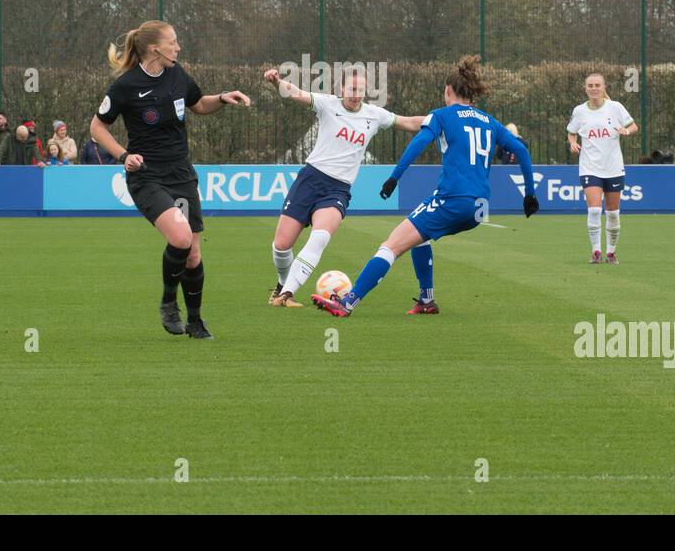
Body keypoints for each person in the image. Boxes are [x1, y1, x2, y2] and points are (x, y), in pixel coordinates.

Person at [313, 56, 538, 317]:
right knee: (419, 237)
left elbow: (418, 143)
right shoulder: (490, 121)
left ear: (448, 91)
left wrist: (394, 177)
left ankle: (347, 302)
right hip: (479, 207)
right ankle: (426, 301)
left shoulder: (441, 116)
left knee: (391, 246)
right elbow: (521, 149)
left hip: (452, 200)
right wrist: (530, 194)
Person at [89, 20, 251, 340]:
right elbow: (97, 127)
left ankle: (195, 320)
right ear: (155, 48)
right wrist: (124, 156)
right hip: (147, 176)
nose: (178, 47)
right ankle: (167, 302)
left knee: (192, 253)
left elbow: (199, 104)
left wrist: (222, 98)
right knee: (180, 236)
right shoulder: (126, 86)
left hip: (180, 174)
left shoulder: (177, 74)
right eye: (173, 42)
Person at [261, 64, 424, 308]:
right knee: (282, 245)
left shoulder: (374, 115)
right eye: (352, 89)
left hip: (337, 190)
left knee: (319, 238)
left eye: (360, 89)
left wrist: (441, 119)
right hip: (310, 179)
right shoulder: (327, 104)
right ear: (341, 88)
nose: (356, 94)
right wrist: (276, 83)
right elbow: (296, 92)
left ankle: (287, 294)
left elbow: (409, 123)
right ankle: (282, 286)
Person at [567, 73, 638, 264]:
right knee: (595, 210)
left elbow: (633, 126)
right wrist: (572, 143)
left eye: (597, 85)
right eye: (590, 85)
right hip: (590, 167)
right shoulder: (580, 111)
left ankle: (611, 252)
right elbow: (571, 133)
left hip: (613, 168)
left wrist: (626, 131)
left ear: (604, 87)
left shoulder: (615, 107)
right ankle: (596, 251)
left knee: (613, 212)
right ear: (585, 88)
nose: (594, 88)